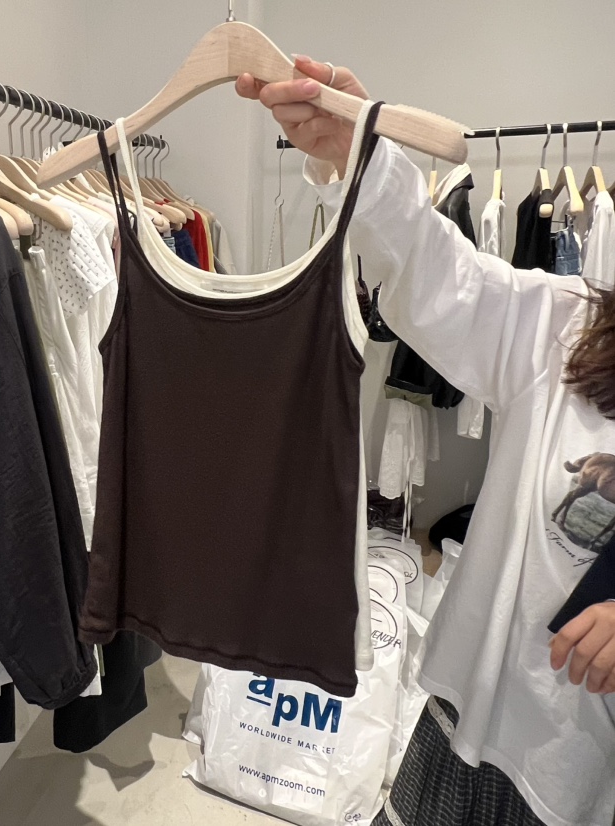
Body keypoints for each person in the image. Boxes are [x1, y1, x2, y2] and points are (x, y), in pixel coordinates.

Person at [236, 58, 615, 826]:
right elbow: (444, 279)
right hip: (470, 709)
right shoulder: (576, 330)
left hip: (579, 766)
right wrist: (359, 157)